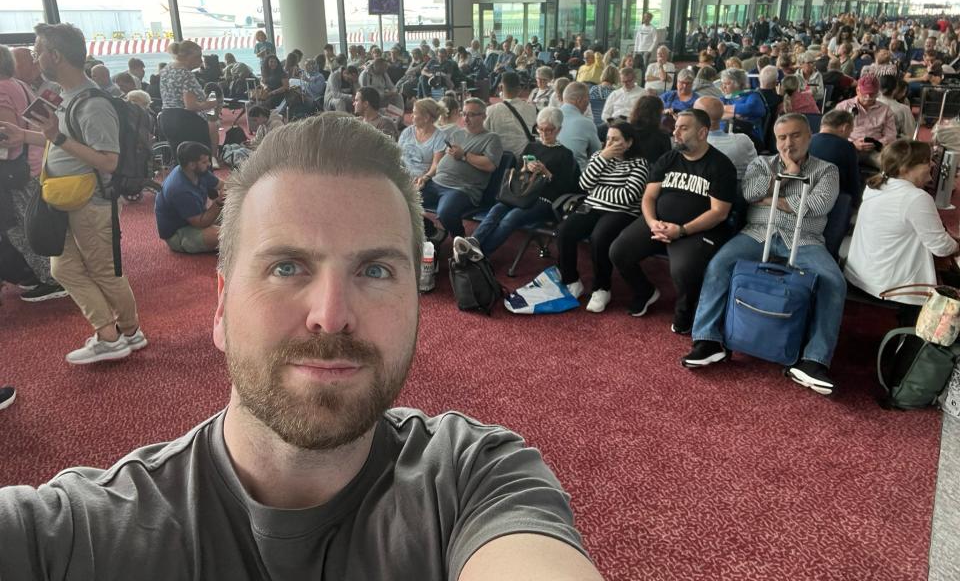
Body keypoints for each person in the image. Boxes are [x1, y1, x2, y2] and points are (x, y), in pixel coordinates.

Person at [0, 114, 600, 581]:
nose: (331, 316)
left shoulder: (475, 477)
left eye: (376, 271)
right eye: (287, 266)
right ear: (220, 304)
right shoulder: (79, 533)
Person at [0, 23, 147, 364]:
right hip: (65, 197)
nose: (36, 58)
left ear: (56, 56)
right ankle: (119, 332)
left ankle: (122, 332)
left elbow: (109, 161)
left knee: (103, 270)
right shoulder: (63, 95)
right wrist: (24, 135)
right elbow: (61, 141)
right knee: (64, 269)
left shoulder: (93, 104)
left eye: (38, 52)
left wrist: (56, 135)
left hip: (91, 199)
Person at [682, 114, 844, 396]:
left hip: (804, 237)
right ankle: (707, 339)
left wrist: (774, 194)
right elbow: (748, 192)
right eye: (782, 137)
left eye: (795, 136)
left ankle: (813, 360)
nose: (788, 143)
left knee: (834, 282)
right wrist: (785, 178)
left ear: (809, 137)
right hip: (758, 232)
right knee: (719, 265)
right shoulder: (761, 162)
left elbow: (816, 206)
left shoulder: (827, 170)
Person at [611, 109, 736, 331]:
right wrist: (652, 222)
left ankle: (685, 314)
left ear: (702, 132)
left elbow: (719, 212)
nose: (675, 132)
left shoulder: (720, 165)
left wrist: (682, 230)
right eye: (676, 127)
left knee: (684, 269)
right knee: (619, 251)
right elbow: (649, 196)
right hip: (659, 223)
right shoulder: (669, 159)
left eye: (683, 128)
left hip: (697, 229)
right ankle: (645, 291)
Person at [845, 140, 957, 325]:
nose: (932, 164)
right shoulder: (916, 198)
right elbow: (942, 248)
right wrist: (956, 244)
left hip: (862, 275)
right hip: (892, 286)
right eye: (926, 161)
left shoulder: (875, 187)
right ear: (905, 168)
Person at [557, 121, 649, 313]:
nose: (610, 143)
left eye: (615, 139)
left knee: (599, 238)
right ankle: (571, 280)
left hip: (622, 212)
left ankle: (602, 288)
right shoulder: (599, 156)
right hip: (592, 207)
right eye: (607, 139)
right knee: (564, 231)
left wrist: (598, 191)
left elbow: (628, 197)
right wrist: (603, 158)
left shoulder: (639, 163)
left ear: (629, 142)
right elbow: (584, 184)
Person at [0, 45, 68, 302]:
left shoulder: (2, 89)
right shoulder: (18, 85)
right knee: (34, 223)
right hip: (35, 162)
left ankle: (51, 278)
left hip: (18, 169)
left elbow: (6, 136)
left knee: (21, 228)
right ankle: (51, 274)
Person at [472, 107, 580, 257]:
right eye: (540, 129)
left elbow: (566, 187)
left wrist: (546, 173)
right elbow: (516, 173)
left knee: (512, 217)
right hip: (522, 193)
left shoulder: (565, 154)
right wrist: (524, 168)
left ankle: (480, 254)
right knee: (496, 210)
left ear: (558, 130)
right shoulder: (532, 146)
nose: (543, 134)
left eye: (549, 130)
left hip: (545, 199)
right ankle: (472, 243)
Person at [420, 98, 503, 241]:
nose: (466, 118)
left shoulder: (492, 138)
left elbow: (490, 165)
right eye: (464, 114)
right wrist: (427, 177)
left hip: (461, 188)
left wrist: (464, 155)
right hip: (437, 182)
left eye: (471, 114)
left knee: (446, 212)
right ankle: (433, 232)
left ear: (483, 116)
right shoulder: (457, 134)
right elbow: (441, 161)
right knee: (404, 200)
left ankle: (460, 241)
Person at [154, 141, 224, 254]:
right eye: (204, 161)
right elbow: (200, 222)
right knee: (224, 236)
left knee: (238, 215)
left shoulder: (199, 171)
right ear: (192, 165)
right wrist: (219, 203)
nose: (209, 164)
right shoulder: (179, 189)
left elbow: (222, 185)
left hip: (198, 217)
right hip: (179, 232)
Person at [160, 39, 222, 166]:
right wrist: (212, 103)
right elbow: (191, 105)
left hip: (167, 118)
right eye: (197, 56)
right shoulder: (185, 74)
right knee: (200, 162)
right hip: (186, 122)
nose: (200, 61)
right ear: (186, 56)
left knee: (181, 163)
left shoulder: (166, 69)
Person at [835, 74, 896, 170]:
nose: (868, 97)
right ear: (857, 90)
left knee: (892, 167)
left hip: (876, 150)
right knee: (835, 164)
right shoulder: (843, 107)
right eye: (865, 93)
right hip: (849, 149)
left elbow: (891, 135)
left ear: (877, 92)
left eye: (872, 94)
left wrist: (876, 143)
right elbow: (834, 133)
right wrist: (852, 144)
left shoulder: (886, 110)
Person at [695, 95, 757, 180]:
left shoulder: (695, 145)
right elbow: (756, 170)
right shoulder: (743, 140)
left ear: (698, 117)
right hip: (743, 190)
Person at [483, 71, 537, 159]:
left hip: (498, 159)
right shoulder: (531, 108)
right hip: (523, 158)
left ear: (500, 88)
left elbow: (484, 133)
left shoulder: (490, 110)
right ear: (519, 89)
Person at [399, 98, 447, 184]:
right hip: (401, 176)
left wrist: (425, 178)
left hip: (422, 180)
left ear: (426, 117)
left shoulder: (440, 137)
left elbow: (436, 165)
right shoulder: (407, 131)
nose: (411, 116)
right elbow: (397, 155)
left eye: (415, 113)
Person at [557, 82, 602, 171]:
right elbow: (597, 155)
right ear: (580, 100)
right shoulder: (586, 123)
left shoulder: (550, 116)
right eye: (588, 99)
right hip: (576, 177)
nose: (588, 103)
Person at [627, 93, 671, 166]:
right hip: (651, 173)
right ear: (658, 113)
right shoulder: (663, 136)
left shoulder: (626, 130)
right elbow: (666, 163)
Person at [877, 74, 916, 140]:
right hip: (893, 147)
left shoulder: (867, 105)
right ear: (895, 89)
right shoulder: (903, 109)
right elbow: (910, 135)